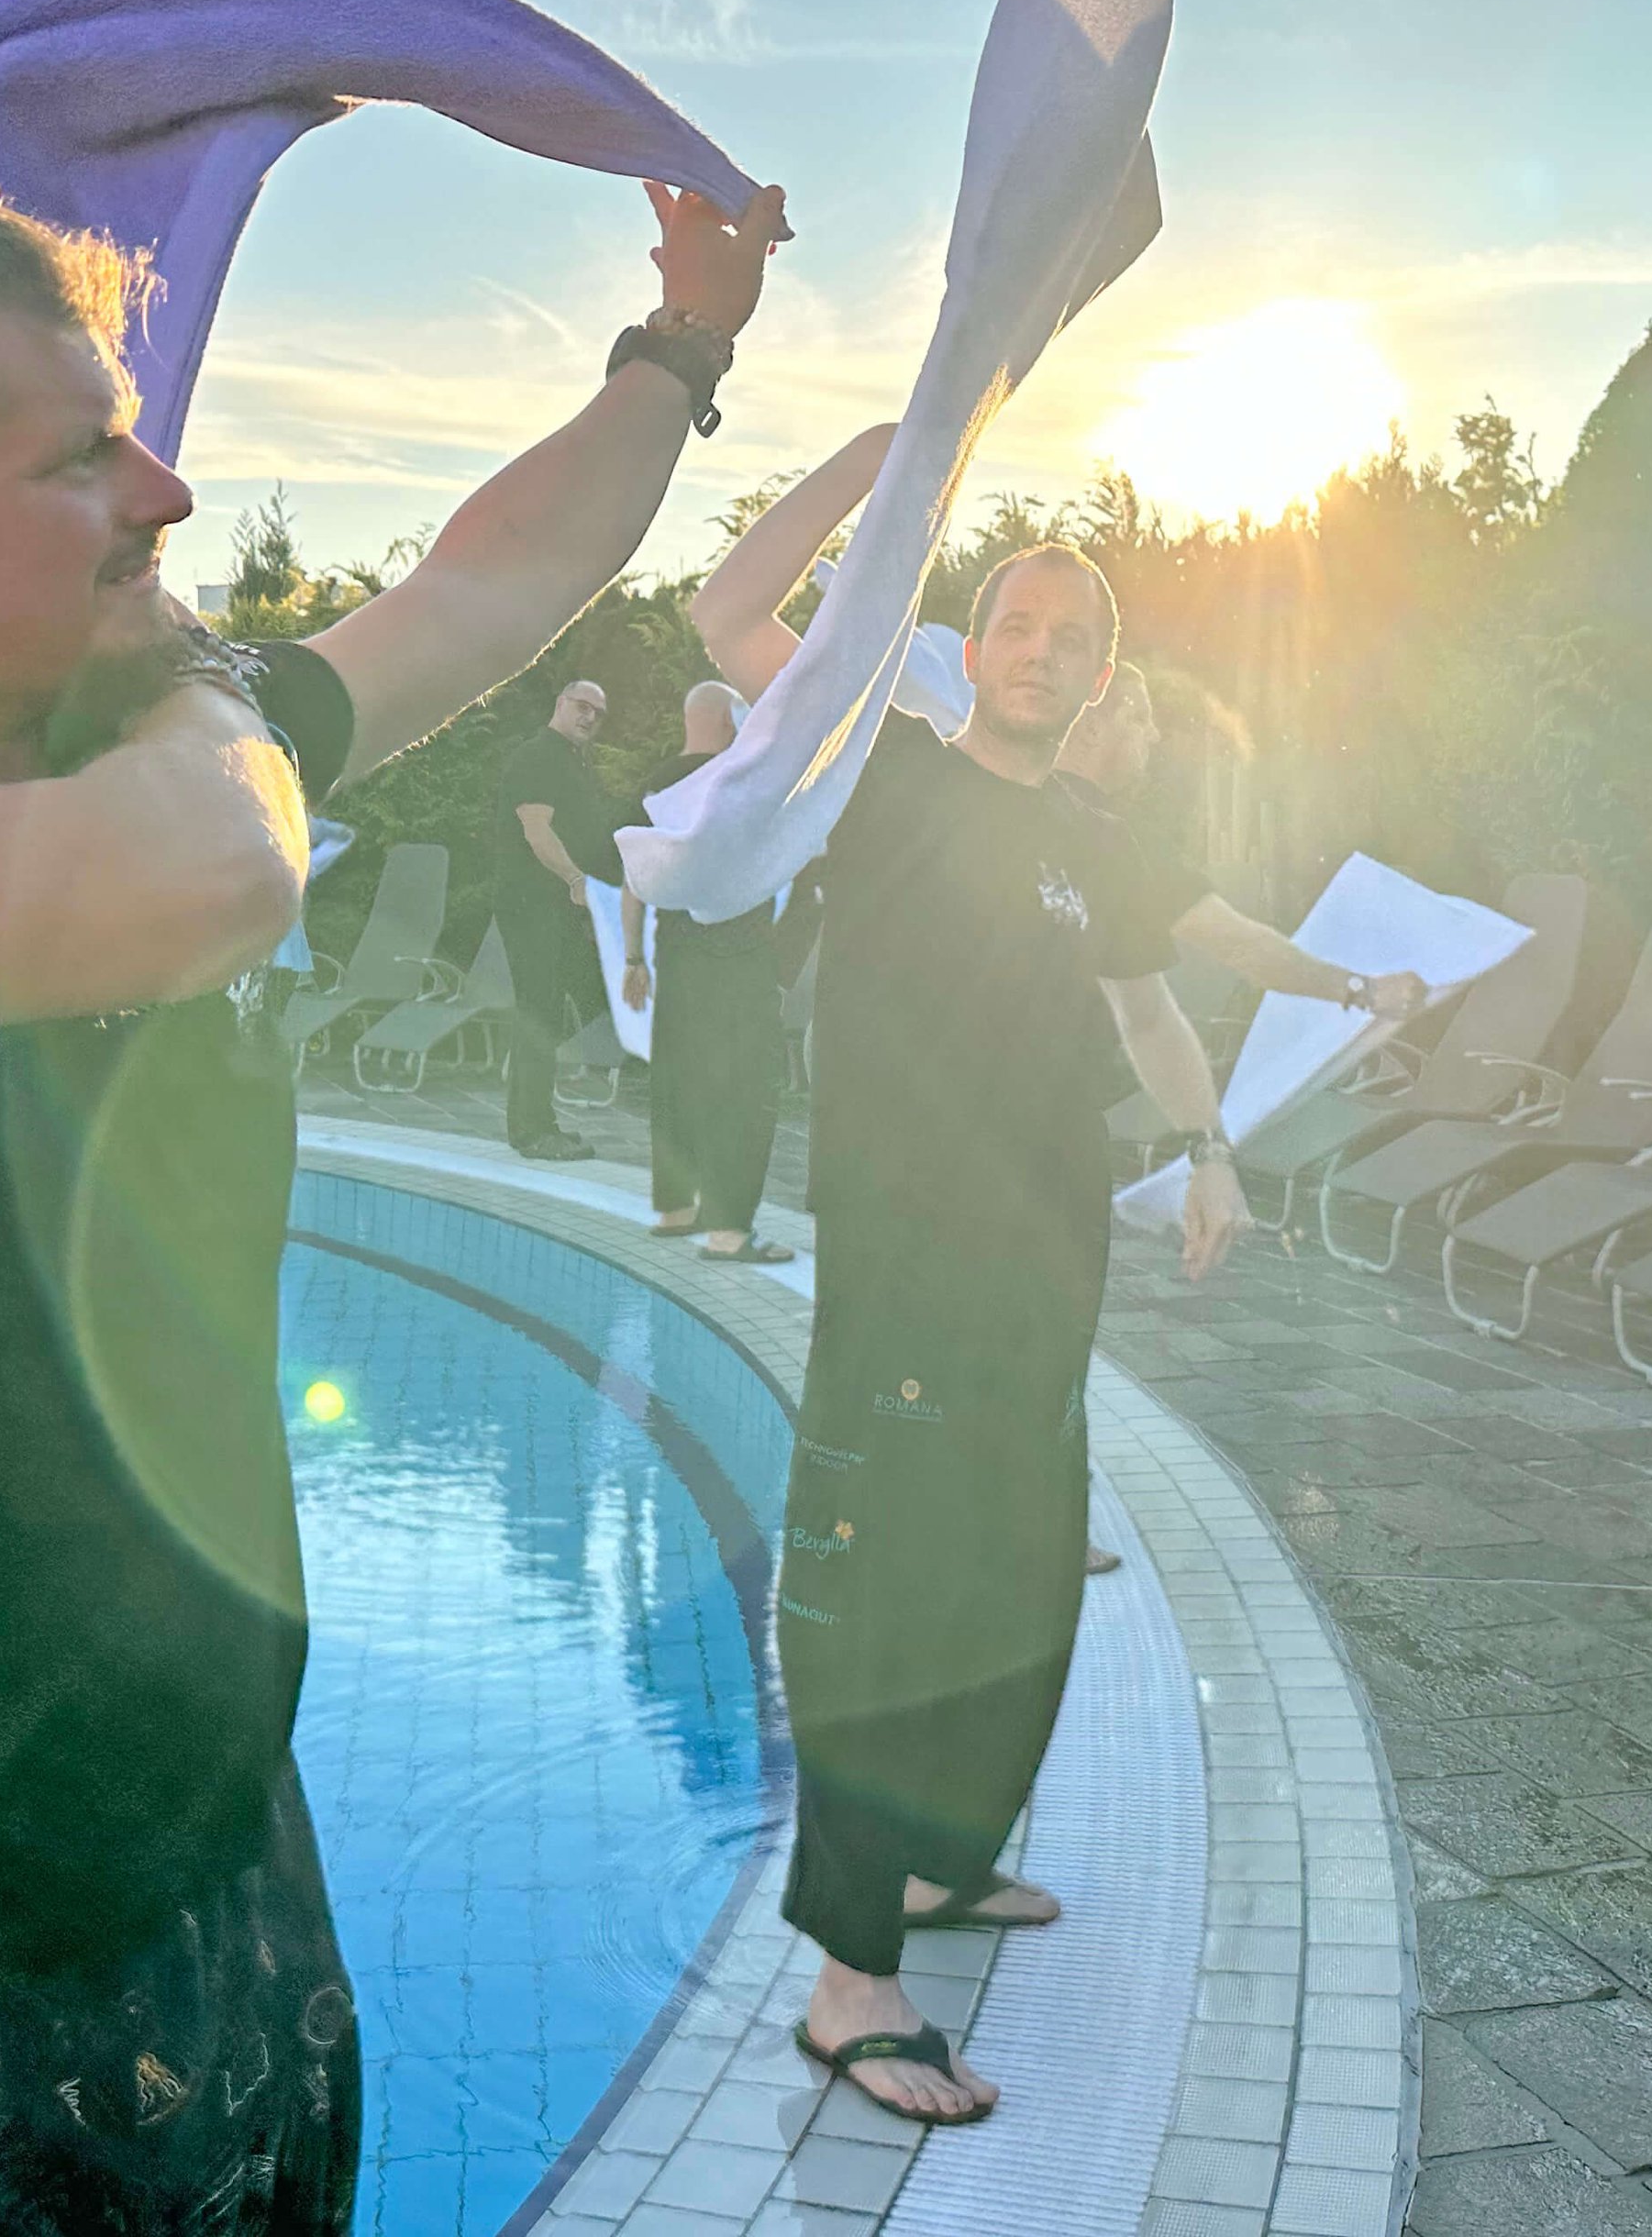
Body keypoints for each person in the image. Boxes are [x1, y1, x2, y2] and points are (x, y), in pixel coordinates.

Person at [0, 169, 782, 2233]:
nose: (164, 493)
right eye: (87, 450)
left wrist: (682, 347)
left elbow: (483, 583)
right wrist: (217, 696)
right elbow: (191, 884)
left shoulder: (178, 749)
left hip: (218, 1868)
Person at [694, 438, 1250, 2132]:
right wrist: (877, 465)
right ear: (974, 640)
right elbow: (730, 618)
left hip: (1045, 1272)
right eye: (1020, 620)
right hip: (911, 1271)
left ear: (1094, 676)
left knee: (1019, 1583)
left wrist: (1213, 1147)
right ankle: (851, 1981)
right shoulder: (890, 772)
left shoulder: (1086, 835)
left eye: (1078, 636)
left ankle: (937, 1865)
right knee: (887, 1597)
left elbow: (1149, 1008)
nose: (1047, 651)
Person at [1059, 660, 1429, 1019]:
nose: (1154, 736)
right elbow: (1243, 947)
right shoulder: (1112, 840)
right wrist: (1369, 992)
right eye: (1139, 718)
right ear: (1091, 728)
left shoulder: (1021, 804)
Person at [618, 681, 793, 1264]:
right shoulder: (739, 779)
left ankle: (676, 1209)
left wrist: (634, 958)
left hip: (676, 952)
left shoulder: (657, 784)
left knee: (677, 1079)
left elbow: (633, 881)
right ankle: (729, 1232)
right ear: (727, 721)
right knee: (740, 1090)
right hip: (737, 956)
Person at [492, 679, 622, 1161]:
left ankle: (540, 1122)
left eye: (598, 712)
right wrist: (574, 880)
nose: (589, 717)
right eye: (582, 706)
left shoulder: (572, 761)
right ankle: (530, 1131)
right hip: (532, 904)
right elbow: (536, 829)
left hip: (557, 907)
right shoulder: (539, 756)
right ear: (560, 704)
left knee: (548, 1011)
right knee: (537, 1012)